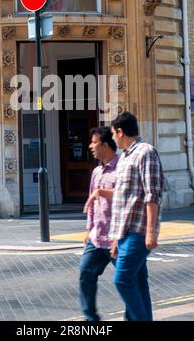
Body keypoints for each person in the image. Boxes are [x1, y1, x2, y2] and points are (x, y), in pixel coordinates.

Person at [109, 111, 164, 321]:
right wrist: (116, 238)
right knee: (139, 282)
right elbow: (123, 201)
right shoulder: (125, 157)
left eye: (114, 133)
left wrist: (151, 234)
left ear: (121, 132)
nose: (113, 138)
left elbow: (152, 195)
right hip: (125, 232)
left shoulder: (145, 152)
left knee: (122, 280)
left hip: (138, 231)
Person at [79, 126, 119, 321]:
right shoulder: (96, 172)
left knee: (127, 282)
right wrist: (88, 228)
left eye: (94, 142)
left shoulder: (122, 168)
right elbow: (92, 202)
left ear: (105, 145)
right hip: (97, 237)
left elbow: (126, 198)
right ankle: (91, 319)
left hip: (116, 238)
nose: (90, 146)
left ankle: (134, 316)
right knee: (85, 272)